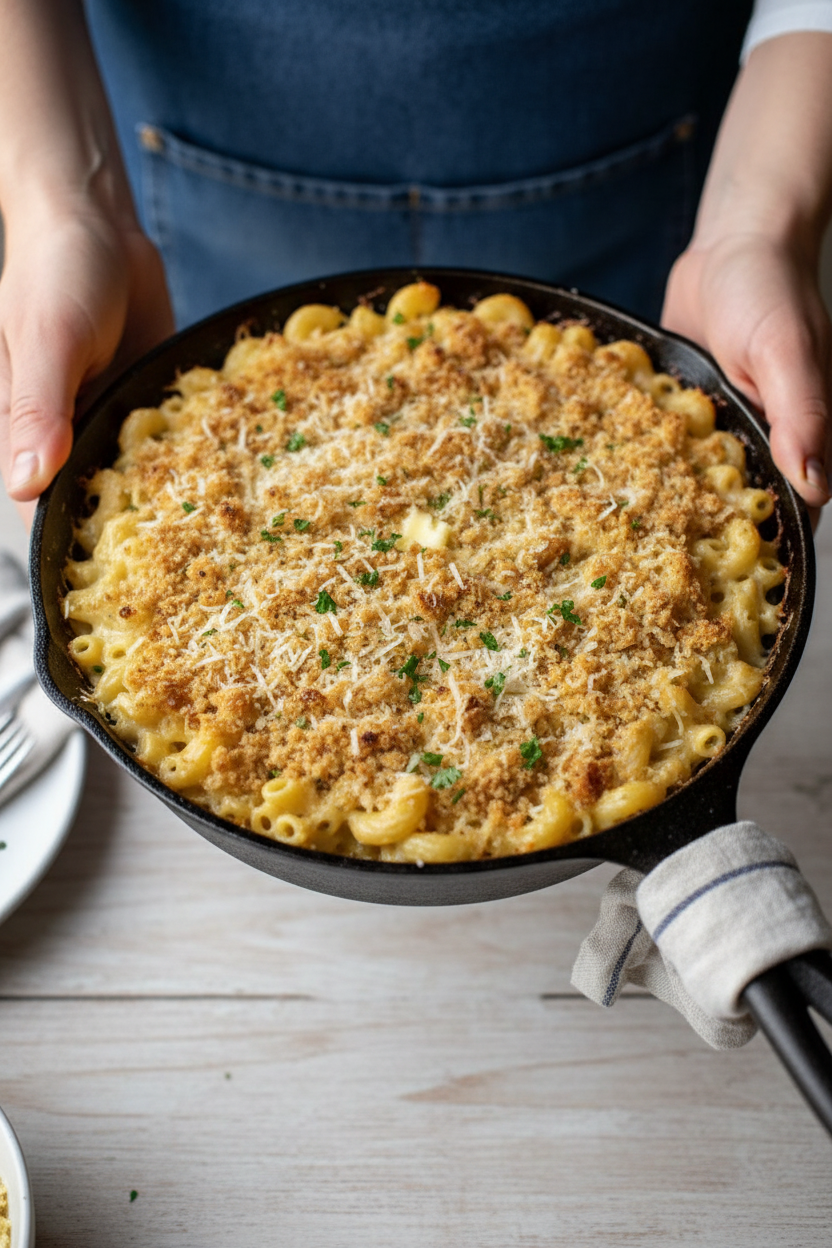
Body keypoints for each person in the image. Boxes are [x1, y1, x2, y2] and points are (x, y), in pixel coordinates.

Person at [0, 0, 830, 523]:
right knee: (198, 404)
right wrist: (64, 207)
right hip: (216, 246)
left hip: (636, 171)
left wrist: (757, 226)